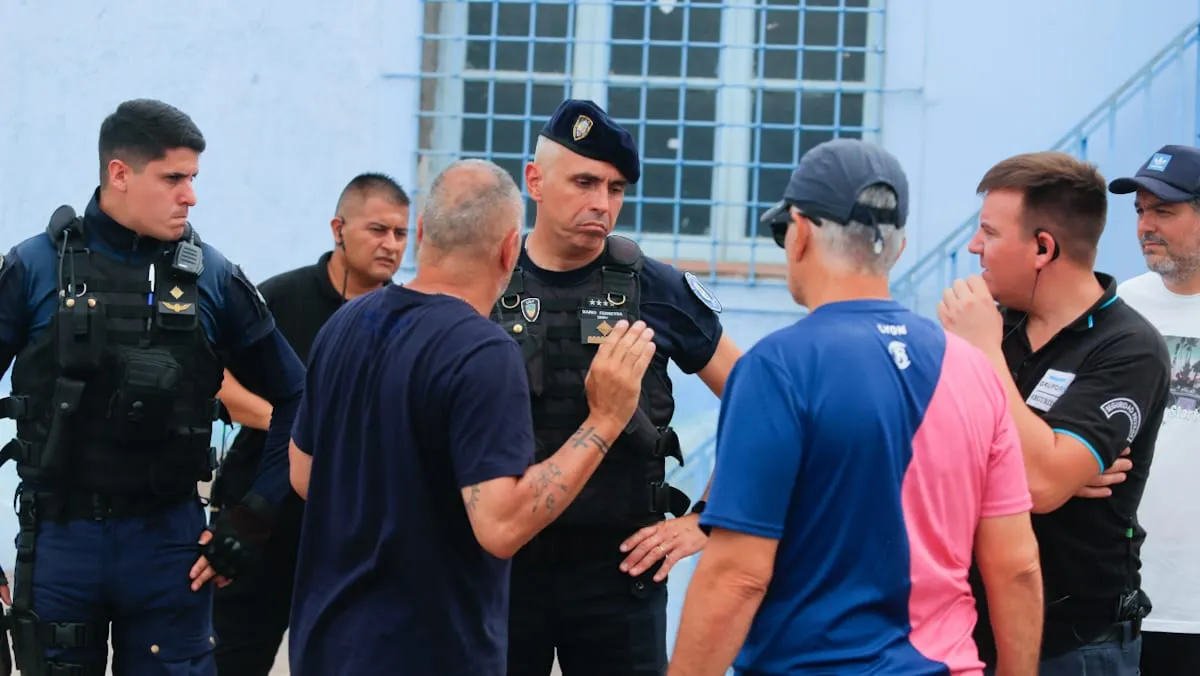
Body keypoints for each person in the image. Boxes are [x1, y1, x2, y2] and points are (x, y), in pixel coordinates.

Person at [667, 138, 1043, 676]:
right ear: (899, 247)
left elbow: (737, 576)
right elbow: (1017, 567)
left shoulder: (778, 368)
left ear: (799, 233)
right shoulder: (973, 371)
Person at [284, 158, 658, 676]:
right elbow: (500, 525)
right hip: (427, 654)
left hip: (326, 644)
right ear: (511, 249)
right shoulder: (482, 351)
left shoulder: (344, 323)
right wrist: (605, 420)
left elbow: (303, 474)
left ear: (419, 233)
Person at [0, 98, 305, 676]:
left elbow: (300, 397)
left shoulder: (213, 278)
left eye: (192, 179)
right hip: (61, 541)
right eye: (173, 178)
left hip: (169, 545)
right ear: (120, 173)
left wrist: (252, 519)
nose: (189, 195)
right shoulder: (35, 269)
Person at [494, 98, 742, 676]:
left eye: (616, 188)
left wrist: (708, 516)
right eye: (584, 182)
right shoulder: (487, 277)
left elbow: (763, 401)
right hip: (503, 569)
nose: (602, 204)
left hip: (619, 573)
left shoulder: (655, 288)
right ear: (535, 180)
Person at [938, 150, 1172, 674]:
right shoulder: (995, 325)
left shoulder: (1129, 346)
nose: (975, 247)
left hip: (1073, 647)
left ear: (1043, 247)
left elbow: (1039, 483)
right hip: (965, 632)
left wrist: (984, 356)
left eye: (990, 233)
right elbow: (926, 452)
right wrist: (1043, 455)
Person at [209, 172, 409, 674]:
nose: (390, 245)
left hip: (353, 532)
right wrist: (290, 424)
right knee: (233, 660)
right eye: (377, 230)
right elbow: (216, 380)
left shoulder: (410, 318)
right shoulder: (278, 299)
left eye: (401, 234)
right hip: (260, 517)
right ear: (338, 228)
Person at [1108, 144, 1200, 675]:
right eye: (1140, 211)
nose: (1146, 224)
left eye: (1164, 210)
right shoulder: (1119, 307)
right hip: (1128, 599)